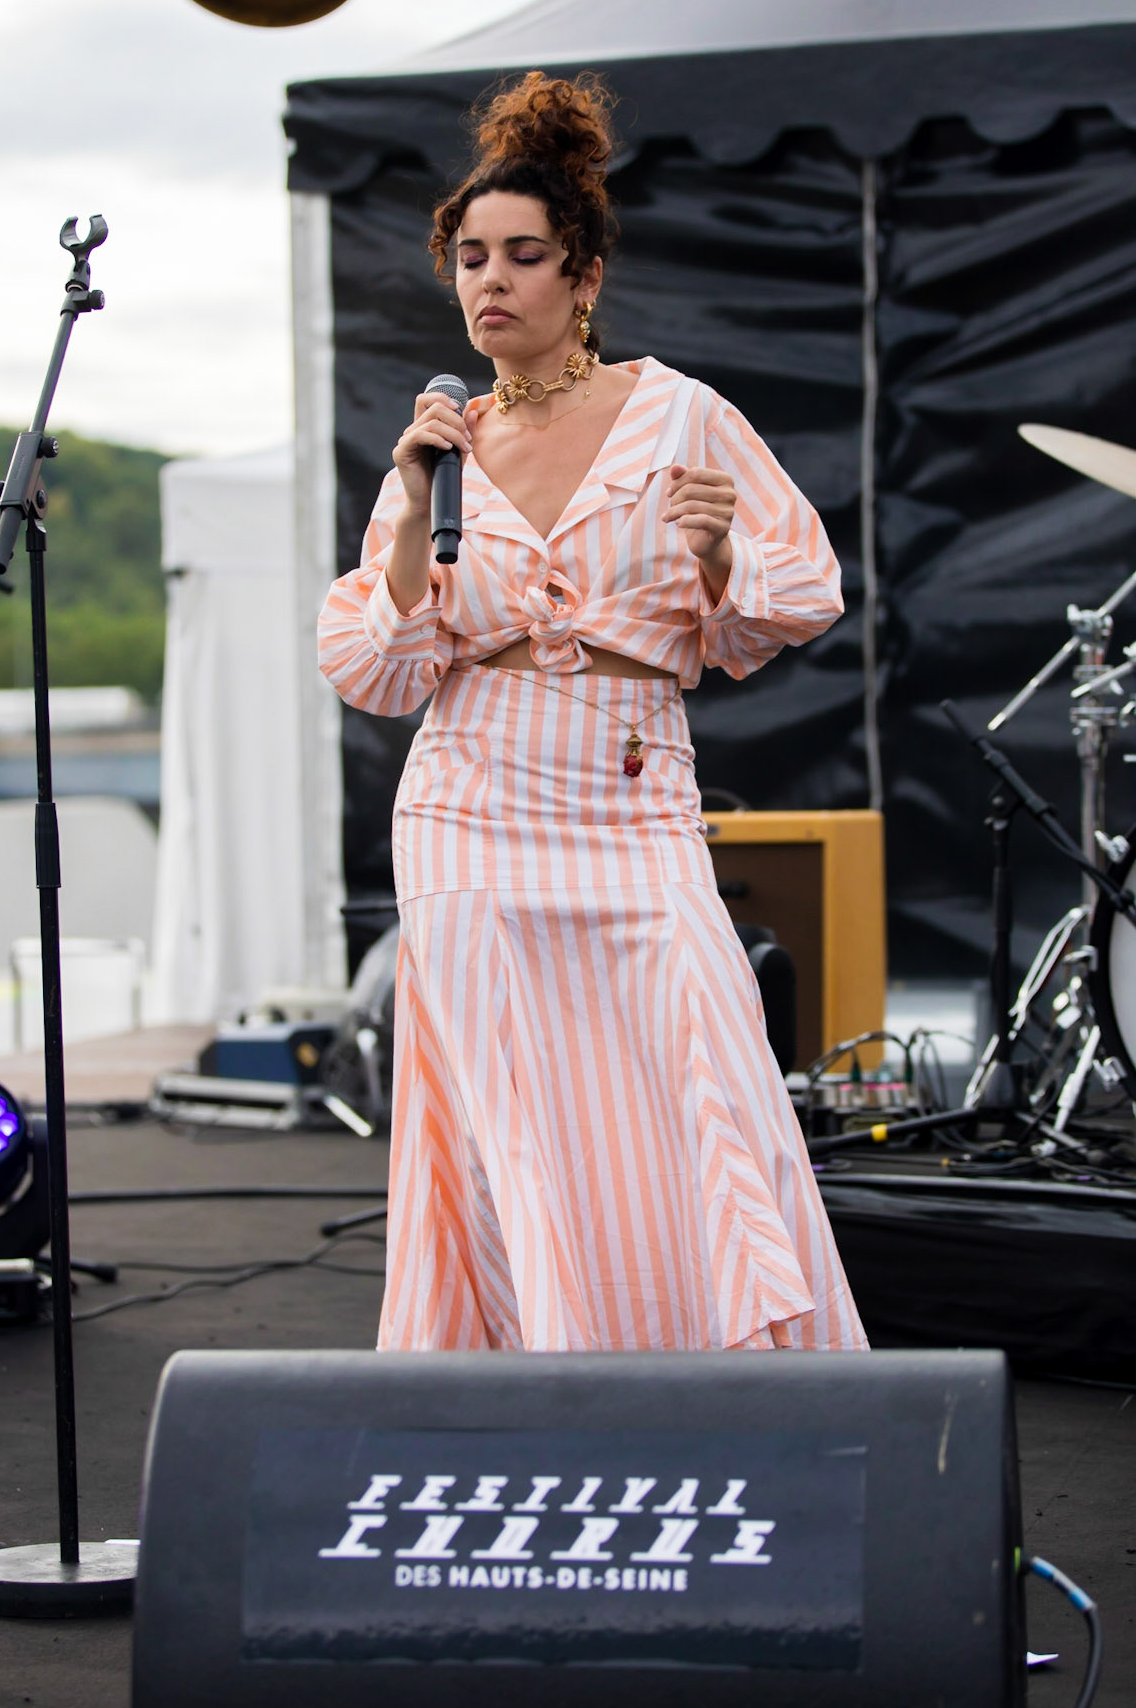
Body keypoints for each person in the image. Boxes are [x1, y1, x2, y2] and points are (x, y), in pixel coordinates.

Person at [319, 72, 866, 1354]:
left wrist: (721, 557)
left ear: (586, 275)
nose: (490, 280)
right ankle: (540, 1381)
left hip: (626, 798)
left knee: (702, 1065)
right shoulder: (439, 449)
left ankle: (734, 1366)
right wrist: (406, 512)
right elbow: (376, 667)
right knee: (507, 1109)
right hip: (469, 801)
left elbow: (797, 597)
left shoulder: (680, 413)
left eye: (523, 255)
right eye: (469, 257)